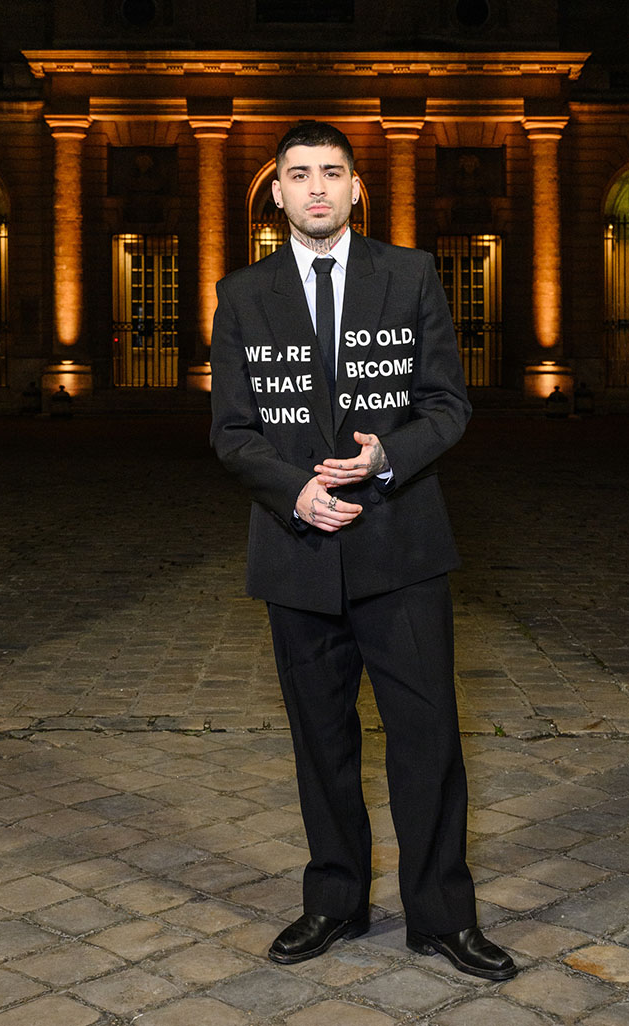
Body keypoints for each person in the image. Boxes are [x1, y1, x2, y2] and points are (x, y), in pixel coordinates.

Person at [210, 121, 517, 982]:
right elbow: (231, 430)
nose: (315, 188)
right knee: (321, 741)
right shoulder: (240, 294)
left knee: (428, 739)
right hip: (297, 551)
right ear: (275, 193)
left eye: (331, 173)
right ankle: (334, 901)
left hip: (402, 547)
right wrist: (293, 491)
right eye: (298, 174)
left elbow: (448, 406)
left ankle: (443, 917)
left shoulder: (411, 275)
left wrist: (389, 455)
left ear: (355, 190)